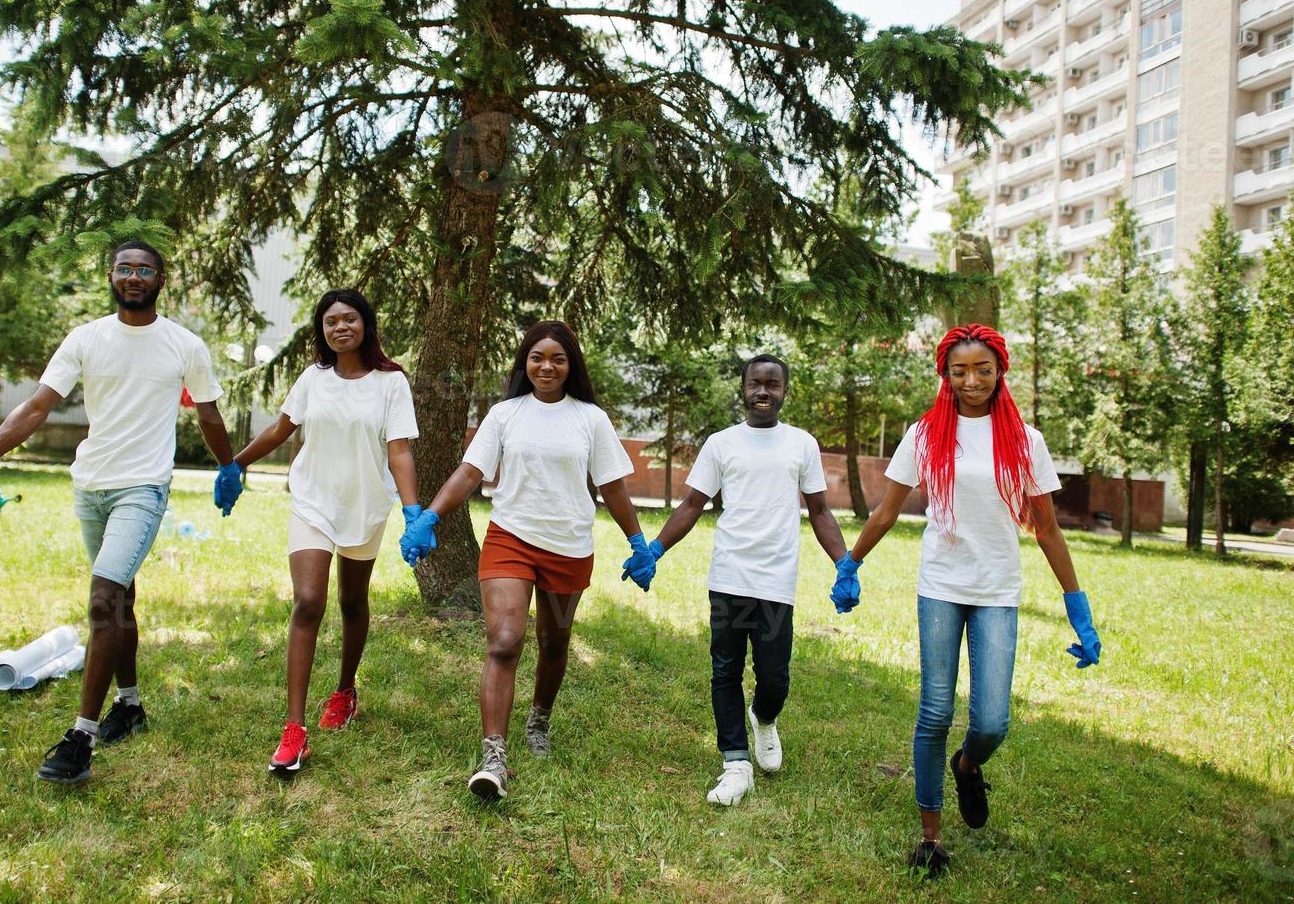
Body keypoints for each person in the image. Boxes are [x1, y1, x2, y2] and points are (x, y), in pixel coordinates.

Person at [0, 239, 244, 784]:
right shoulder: (87, 338)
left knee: (103, 598)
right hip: (91, 487)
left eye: (144, 269)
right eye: (124, 268)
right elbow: (37, 406)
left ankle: (80, 738)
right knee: (120, 596)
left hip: (143, 488)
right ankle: (129, 703)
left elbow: (209, 414)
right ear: (112, 275)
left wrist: (228, 467)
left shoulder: (183, 344)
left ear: (160, 278)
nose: (133, 276)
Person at [838, 324, 1102, 876]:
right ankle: (930, 839)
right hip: (940, 584)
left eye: (983, 369)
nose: (971, 380)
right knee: (934, 711)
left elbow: (1047, 528)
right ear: (946, 375)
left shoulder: (1026, 441)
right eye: (959, 370)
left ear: (1000, 369)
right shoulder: (927, 434)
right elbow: (887, 511)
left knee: (992, 723)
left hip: (997, 589)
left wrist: (1077, 607)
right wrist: (851, 564)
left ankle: (967, 765)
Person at [400, 320, 658, 801]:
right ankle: (493, 756)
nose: (547, 366)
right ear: (525, 363)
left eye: (557, 358)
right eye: (537, 357)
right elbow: (470, 471)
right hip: (510, 539)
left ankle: (539, 719)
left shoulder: (590, 419)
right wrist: (429, 517)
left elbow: (613, 487)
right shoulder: (504, 414)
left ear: (570, 366)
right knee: (503, 640)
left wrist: (639, 543)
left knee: (554, 640)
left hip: (569, 547)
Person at [641, 354, 847, 806]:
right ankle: (735, 763)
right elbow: (693, 504)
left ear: (784, 391)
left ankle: (764, 719)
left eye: (773, 384)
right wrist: (656, 548)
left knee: (774, 676)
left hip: (776, 580)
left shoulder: (801, 444)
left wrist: (844, 562)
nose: (763, 392)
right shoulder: (721, 443)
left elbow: (819, 511)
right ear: (743, 387)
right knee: (725, 669)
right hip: (730, 576)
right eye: (756, 383)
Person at [230, 289, 420, 772]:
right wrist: (236, 465)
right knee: (308, 601)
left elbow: (399, 450)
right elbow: (280, 429)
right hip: (312, 501)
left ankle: (344, 690)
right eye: (331, 321)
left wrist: (414, 512)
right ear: (322, 330)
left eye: (349, 319)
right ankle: (294, 730)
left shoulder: (390, 383)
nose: (340, 327)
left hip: (365, 506)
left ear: (366, 325)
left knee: (352, 601)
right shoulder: (313, 378)